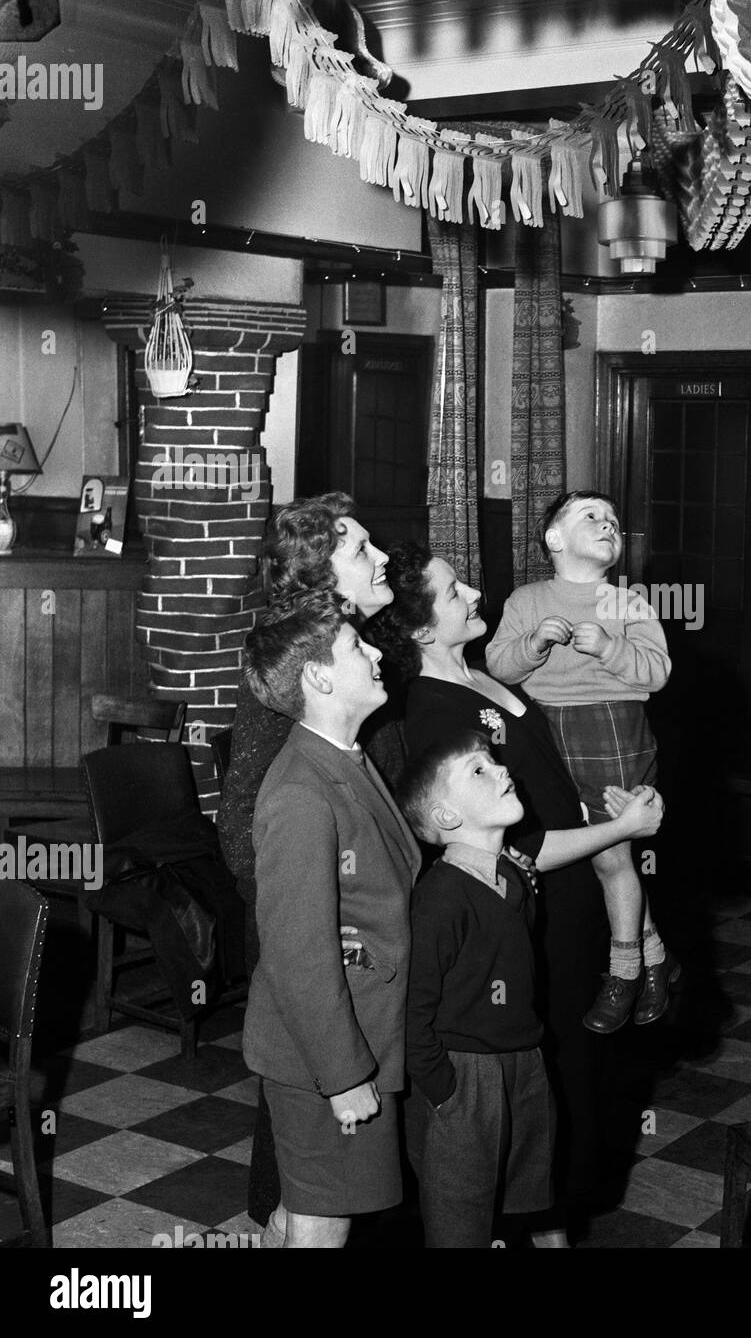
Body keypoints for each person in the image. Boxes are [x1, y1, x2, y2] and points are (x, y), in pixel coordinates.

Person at [367, 543, 645, 1239]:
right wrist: (619, 832)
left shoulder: (486, 673)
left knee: (573, 1079)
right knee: (559, 1070)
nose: (472, 592)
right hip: (538, 912)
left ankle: (553, 1224)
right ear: (424, 630)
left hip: (576, 901)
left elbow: (549, 786)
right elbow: (516, 847)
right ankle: (545, 1225)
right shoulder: (434, 711)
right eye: (453, 588)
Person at [216, 491, 400, 1240]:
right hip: (309, 934)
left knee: (321, 1187)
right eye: (360, 549)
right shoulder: (305, 672)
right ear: (322, 581)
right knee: (309, 1167)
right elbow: (247, 823)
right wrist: (323, 916)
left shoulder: (366, 653)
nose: (381, 556)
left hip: (345, 942)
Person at [399, 731, 663, 1247]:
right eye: (478, 771)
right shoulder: (440, 899)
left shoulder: (513, 878)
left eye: (494, 762)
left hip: (523, 1063)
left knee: (525, 1200)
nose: (501, 770)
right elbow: (412, 1013)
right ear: (447, 818)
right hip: (465, 1075)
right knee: (459, 1224)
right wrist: (445, 1091)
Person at [240, 589, 422, 1248]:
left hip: (358, 1037)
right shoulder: (299, 792)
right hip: (321, 1057)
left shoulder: (345, 756)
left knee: (301, 1211)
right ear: (317, 676)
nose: (376, 651)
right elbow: (299, 954)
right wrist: (344, 1075)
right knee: (322, 1226)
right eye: (356, 646)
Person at [485, 492, 676, 1035]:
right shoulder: (526, 598)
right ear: (553, 540)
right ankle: (657, 956)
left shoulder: (628, 602)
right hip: (545, 731)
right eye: (591, 516)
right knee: (598, 852)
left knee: (611, 856)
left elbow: (657, 673)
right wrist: (534, 643)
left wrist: (608, 650)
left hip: (611, 729)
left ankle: (625, 972)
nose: (607, 524)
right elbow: (499, 663)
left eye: (614, 520)